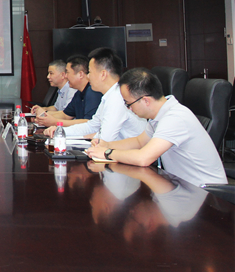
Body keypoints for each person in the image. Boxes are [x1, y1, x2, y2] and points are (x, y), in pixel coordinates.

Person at [87, 68, 226, 186]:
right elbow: (139, 142)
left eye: (128, 104)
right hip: (181, 188)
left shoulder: (175, 118)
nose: (128, 109)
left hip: (206, 194)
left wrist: (107, 153)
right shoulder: (160, 116)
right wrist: (106, 144)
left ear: (145, 100)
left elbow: (143, 158)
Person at [45, 48, 144, 141]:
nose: (88, 76)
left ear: (103, 74)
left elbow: (105, 139)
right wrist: (61, 131)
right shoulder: (109, 96)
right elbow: (91, 126)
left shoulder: (117, 97)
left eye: (90, 72)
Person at [34, 55, 102, 127]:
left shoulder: (93, 92)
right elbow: (65, 115)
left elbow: (89, 123)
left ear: (80, 74)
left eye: (67, 72)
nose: (65, 76)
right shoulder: (78, 93)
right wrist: (43, 117)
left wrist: (55, 122)